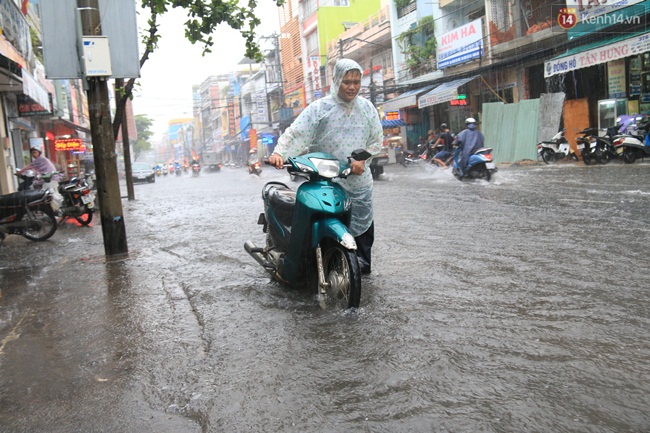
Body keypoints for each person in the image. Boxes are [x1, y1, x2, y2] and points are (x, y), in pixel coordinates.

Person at [268, 58, 383, 274]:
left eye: (357, 82)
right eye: (347, 81)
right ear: (337, 80)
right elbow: (297, 132)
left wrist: (362, 160)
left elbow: (377, 140)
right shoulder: (320, 108)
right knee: (316, 226)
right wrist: (278, 153)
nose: (352, 87)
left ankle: (360, 277)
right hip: (325, 181)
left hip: (358, 181)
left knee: (363, 233)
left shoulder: (367, 108)